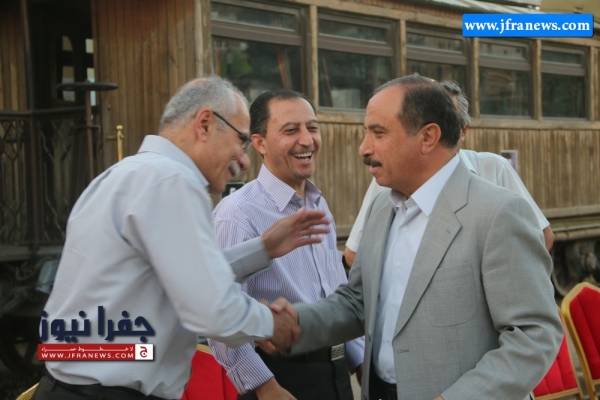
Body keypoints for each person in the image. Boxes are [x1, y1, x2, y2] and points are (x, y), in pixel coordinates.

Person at [34, 77, 331, 400]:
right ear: (205, 124)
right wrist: (273, 324)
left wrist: (263, 249)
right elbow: (210, 306)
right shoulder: (171, 181)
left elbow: (179, 275)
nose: (244, 160)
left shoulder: (126, 174)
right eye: (241, 141)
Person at [268, 75, 562, 400]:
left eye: (378, 133)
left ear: (428, 137)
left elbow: (534, 335)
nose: (364, 148)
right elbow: (360, 302)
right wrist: (298, 324)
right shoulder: (382, 206)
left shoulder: (498, 214)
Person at [209, 89, 363, 400]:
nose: (307, 140)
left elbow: (336, 290)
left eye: (312, 127)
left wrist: (358, 360)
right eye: (291, 130)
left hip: (335, 375)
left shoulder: (317, 203)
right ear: (259, 143)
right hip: (280, 377)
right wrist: (264, 386)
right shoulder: (237, 214)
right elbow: (219, 313)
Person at [343, 80, 554, 268]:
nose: (364, 148)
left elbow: (540, 237)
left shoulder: (494, 169)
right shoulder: (388, 185)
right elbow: (354, 255)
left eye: (449, 123)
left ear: (463, 131)